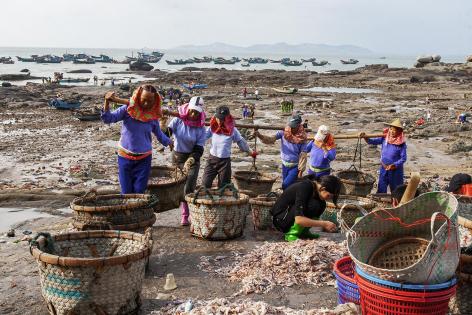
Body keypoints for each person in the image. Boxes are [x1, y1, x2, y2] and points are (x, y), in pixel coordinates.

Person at [101, 85, 172, 194]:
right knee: (126, 192)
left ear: (154, 101)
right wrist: (107, 101)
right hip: (125, 157)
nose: (146, 104)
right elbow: (108, 119)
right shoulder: (127, 110)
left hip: (144, 160)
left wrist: (169, 142)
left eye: (150, 101)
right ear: (138, 97)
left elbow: (159, 134)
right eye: (144, 100)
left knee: (139, 192)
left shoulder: (152, 116)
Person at [165, 96, 207, 225]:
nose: (193, 114)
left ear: (200, 112)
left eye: (197, 112)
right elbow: (167, 134)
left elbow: (199, 148)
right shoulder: (178, 119)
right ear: (188, 108)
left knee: (189, 186)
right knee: (177, 185)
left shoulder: (201, 127)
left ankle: (187, 215)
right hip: (177, 156)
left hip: (192, 157)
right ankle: (178, 210)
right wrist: (162, 123)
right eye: (192, 111)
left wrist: (191, 159)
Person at [271, 175, 340, 241]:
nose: (328, 199)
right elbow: (299, 220)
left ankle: (303, 232)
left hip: (289, 216)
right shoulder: (305, 187)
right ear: (323, 188)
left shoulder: (315, 190)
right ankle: (291, 233)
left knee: (322, 204)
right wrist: (324, 224)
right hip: (280, 220)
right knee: (314, 205)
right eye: (329, 196)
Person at [202, 106, 257, 188]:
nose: (220, 121)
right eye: (218, 118)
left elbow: (241, 142)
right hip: (212, 160)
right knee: (205, 183)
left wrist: (250, 152)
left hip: (224, 162)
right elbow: (203, 137)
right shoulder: (212, 126)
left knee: (224, 187)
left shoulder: (232, 130)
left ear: (227, 118)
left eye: (222, 119)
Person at [255, 114, 308, 190]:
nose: (291, 128)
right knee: (288, 186)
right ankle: (288, 200)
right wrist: (260, 135)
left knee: (285, 185)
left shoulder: (302, 138)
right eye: (291, 126)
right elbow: (271, 139)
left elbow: (303, 155)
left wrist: (300, 172)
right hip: (284, 165)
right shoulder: (284, 132)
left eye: (294, 127)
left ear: (298, 126)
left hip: (295, 166)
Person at [361, 118, 407, 193]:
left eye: (394, 130)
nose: (392, 131)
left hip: (395, 170)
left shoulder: (401, 144)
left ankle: (396, 203)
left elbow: (403, 158)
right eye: (391, 129)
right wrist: (365, 137)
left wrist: (394, 165)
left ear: (399, 131)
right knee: (382, 186)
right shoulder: (385, 138)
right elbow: (372, 141)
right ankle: (381, 201)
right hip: (384, 167)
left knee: (396, 190)